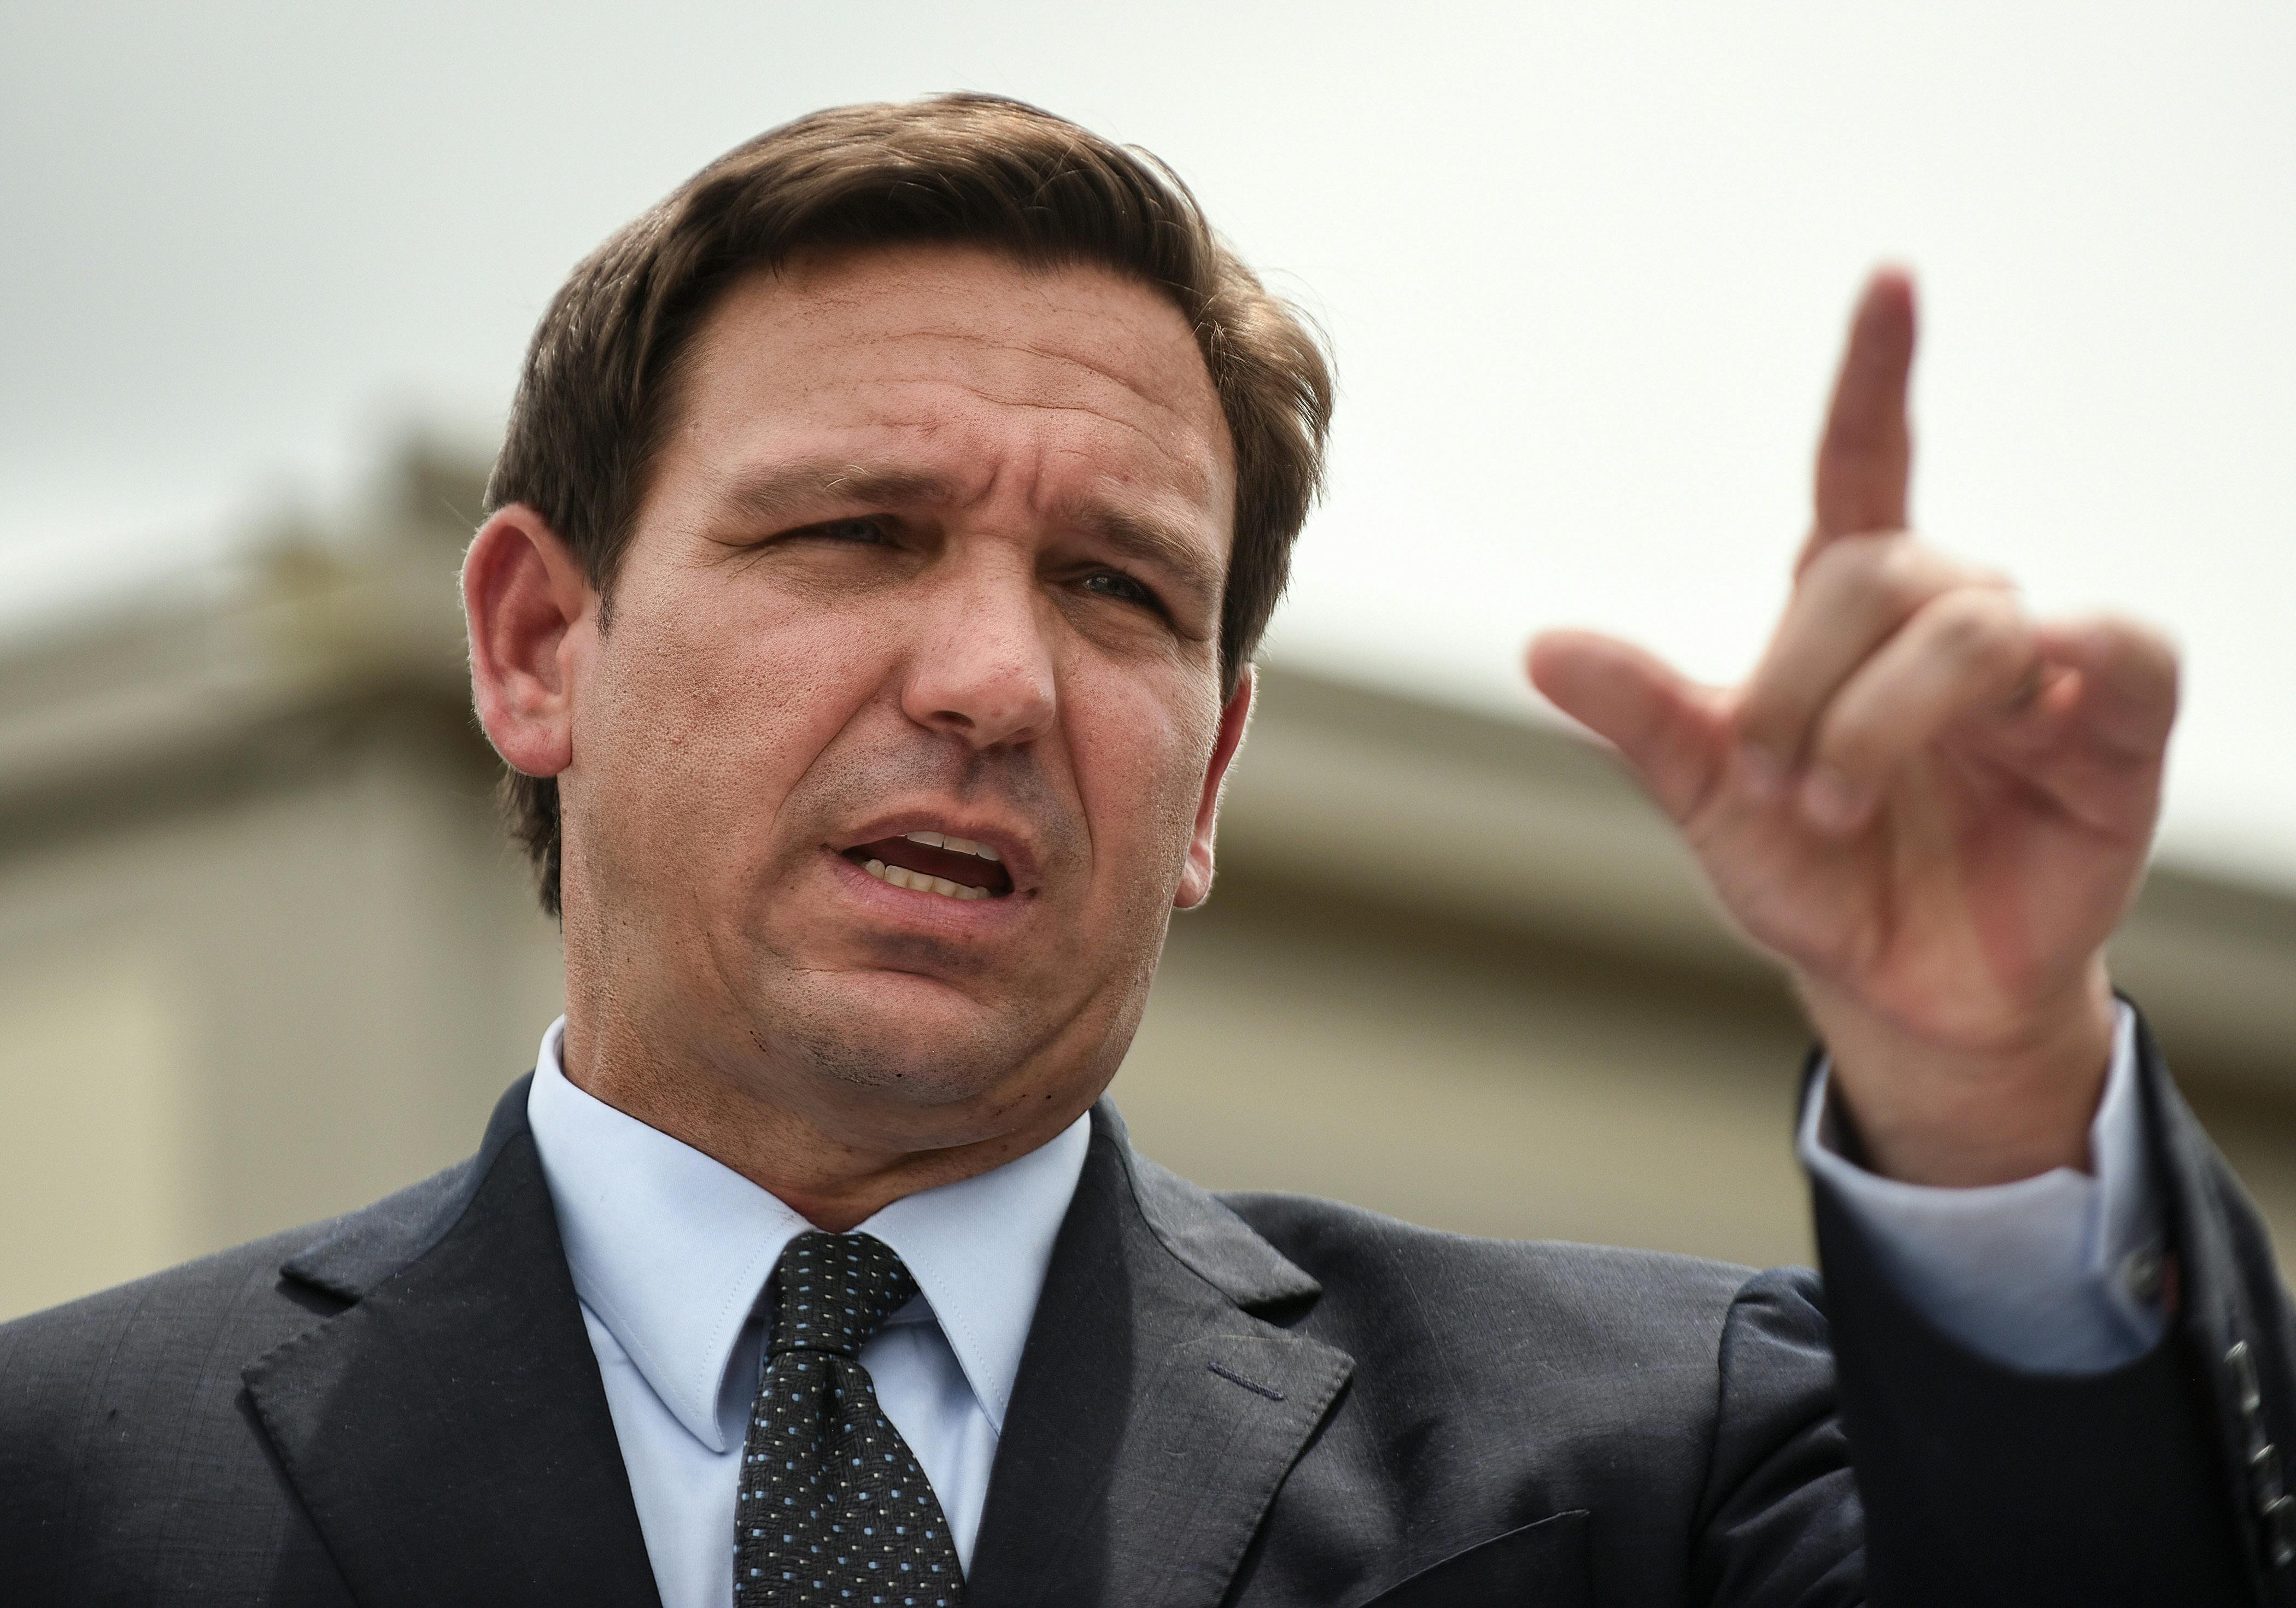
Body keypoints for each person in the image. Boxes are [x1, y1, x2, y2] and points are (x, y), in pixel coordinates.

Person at [2, 92, 2289, 1607]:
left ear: (1206, 783)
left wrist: (1983, 1074)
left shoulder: (1658, 1466)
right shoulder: (65, 1487)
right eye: (857, 532)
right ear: (536, 645)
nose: (995, 679)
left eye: (1116, 590)